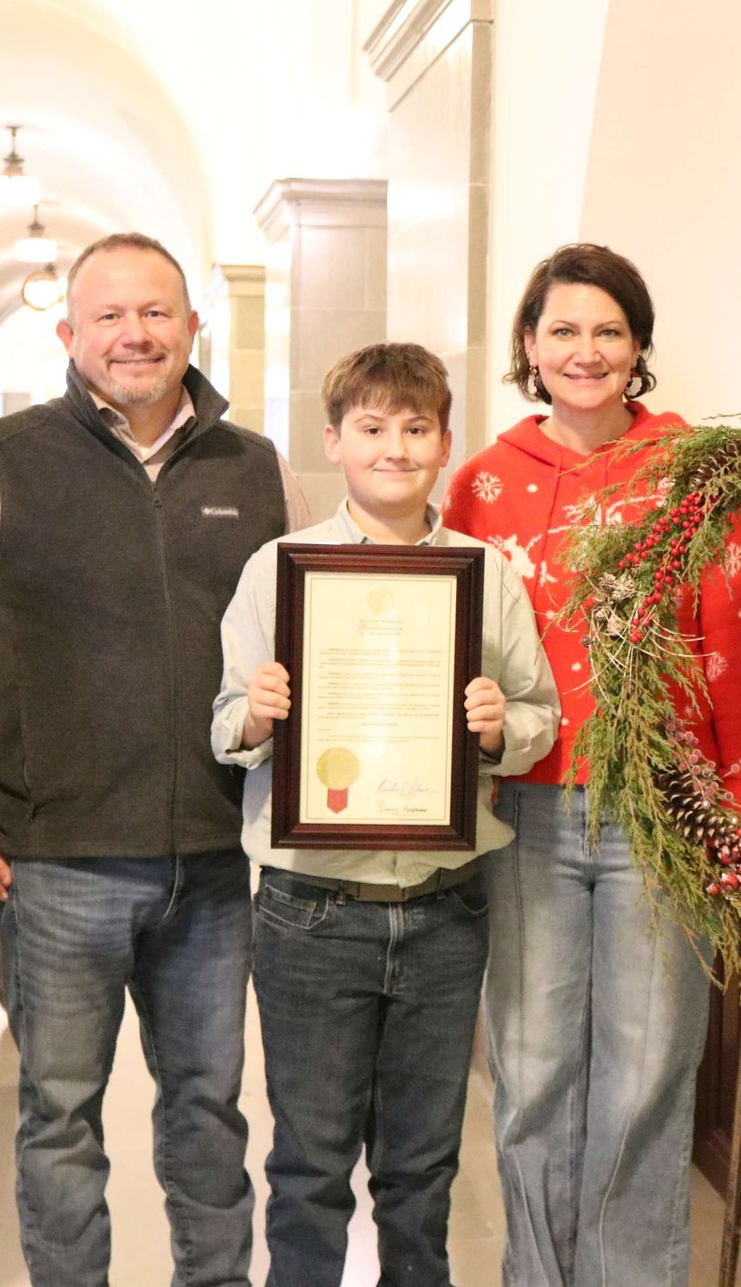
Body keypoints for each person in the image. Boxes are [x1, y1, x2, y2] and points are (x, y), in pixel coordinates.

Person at [0, 232, 311, 1287]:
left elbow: (308, 631)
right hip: (60, 865)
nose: (135, 334)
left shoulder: (254, 468)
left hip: (216, 865)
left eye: (156, 313)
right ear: (69, 333)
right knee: (58, 1123)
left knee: (209, 1117)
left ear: (190, 326)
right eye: (110, 316)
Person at [441, 243, 741, 1286]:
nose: (585, 351)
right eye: (561, 331)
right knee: (534, 1078)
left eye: (607, 331)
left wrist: (740, 813)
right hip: (522, 818)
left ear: (638, 349)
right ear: (528, 349)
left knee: (643, 1081)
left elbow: (740, 647)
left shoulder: (701, 475)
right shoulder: (480, 484)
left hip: (660, 818)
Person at [212, 341, 560, 1285]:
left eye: (416, 429)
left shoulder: (487, 575)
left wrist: (498, 728)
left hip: (448, 907)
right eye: (371, 429)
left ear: (445, 441)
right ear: (334, 441)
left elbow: (540, 711)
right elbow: (221, 726)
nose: (394, 448)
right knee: (311, 1165)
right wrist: (259, 710)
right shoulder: (279, 570)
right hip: (311, 911)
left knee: (421, 1169)